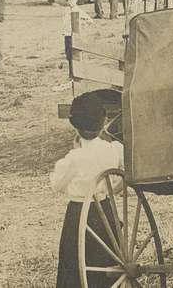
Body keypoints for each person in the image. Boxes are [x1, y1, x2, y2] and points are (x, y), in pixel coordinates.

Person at [52, 95, 123, 288]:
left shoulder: (74, 158)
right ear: (103, 122)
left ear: (74, 125)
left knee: (74, 265)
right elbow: (125, 174)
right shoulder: (114, 149)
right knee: (108, 262)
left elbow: (56, 185)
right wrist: (112, 191)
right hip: (107, 213)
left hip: (79, 216)